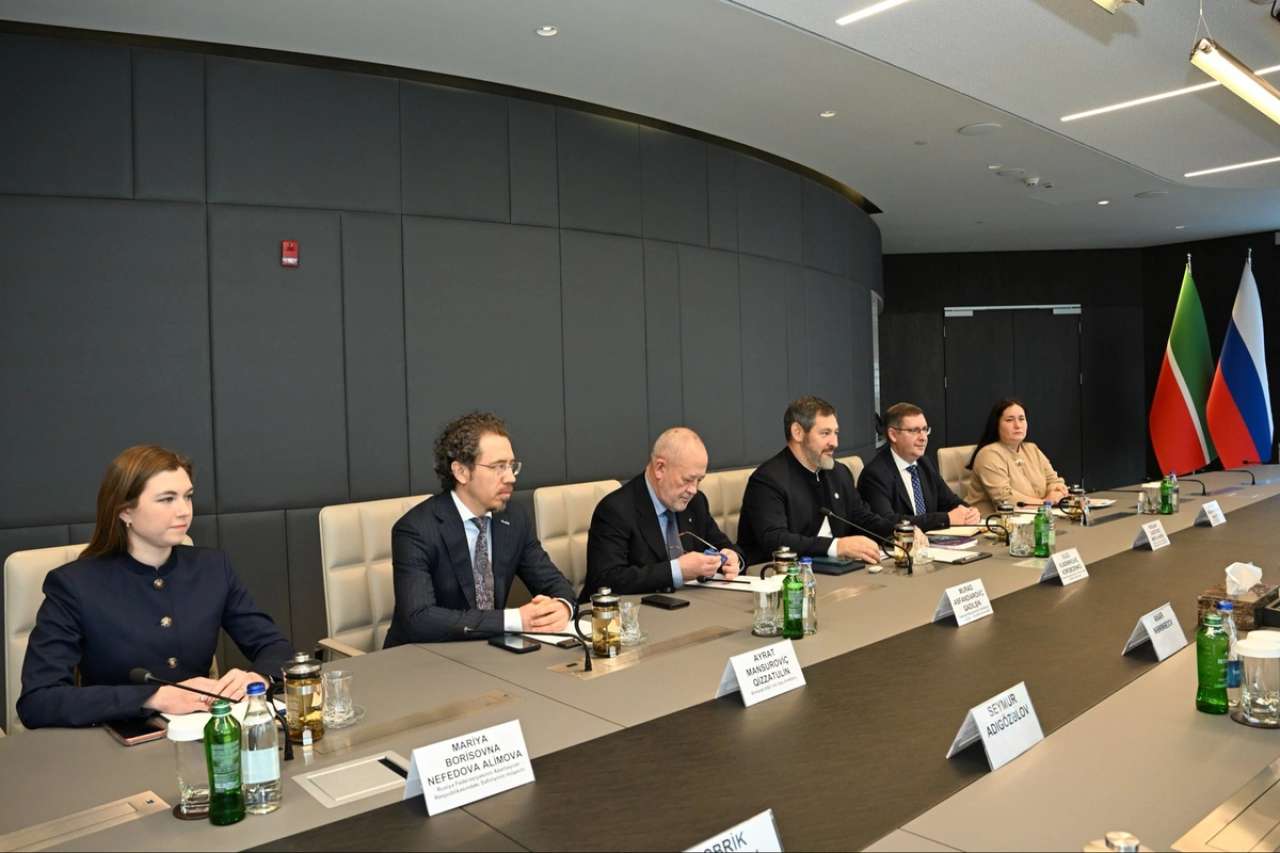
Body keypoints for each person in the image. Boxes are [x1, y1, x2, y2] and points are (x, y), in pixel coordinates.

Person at [18, 446, 293, 729]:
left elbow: (275, 647)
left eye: (187, 496)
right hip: (115, 739)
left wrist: (257, 678)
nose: (184, 511)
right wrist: (153, 697)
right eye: (167, 499)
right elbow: (39, 700)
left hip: (201, 732)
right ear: (125, 510)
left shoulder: (212, 568)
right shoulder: (74, 585)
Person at [384, 412, 575, 646]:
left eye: (512, 466)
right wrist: (515, 619)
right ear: (461, 472)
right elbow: (420, 619)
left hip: (488, 653)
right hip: (423, 656)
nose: (510, 478)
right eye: (498, 467)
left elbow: (555, 583)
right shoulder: (416, 529)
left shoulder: (514, 519)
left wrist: (562, 607)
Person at [582, 427, 742, 600]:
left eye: (699, 480)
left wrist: (732, 559)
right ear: (660, 468)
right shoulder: (616, 510)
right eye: (687, 479)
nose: (693, 489)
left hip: (691, 605)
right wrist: (677, 571)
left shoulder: (695, 502)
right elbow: (606, 580)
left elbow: (724, 546)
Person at [738, 396, 892, 566]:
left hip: (836, 571)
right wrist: (836, 546)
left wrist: (900, 532)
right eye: (825, 433)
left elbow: (863, 519)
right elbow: (775, 540)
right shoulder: (767, 480)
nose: (835, 443)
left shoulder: (839, 473)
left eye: (836, 433)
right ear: (797, 432)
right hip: (781, 574)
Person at [858, 403, 981, 531]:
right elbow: (888, 521)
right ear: (893, 435)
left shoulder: (924, 463)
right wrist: (946, 519)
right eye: (914, 431)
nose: (923, 438)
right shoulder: (875, 474)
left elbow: (950, 501)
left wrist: (969, 511)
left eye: (925, 429)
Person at [963, 398, 1067, 515]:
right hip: (992, 522)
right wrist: (1046, 503)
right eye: (1009, 420)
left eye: (1021, 419)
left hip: (1034, 517)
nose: (1017, 425)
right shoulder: (988, 454)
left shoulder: (1032, 449)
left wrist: (1056, 492)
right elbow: (1005, 499)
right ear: (996, 425)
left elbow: (1054, 481)